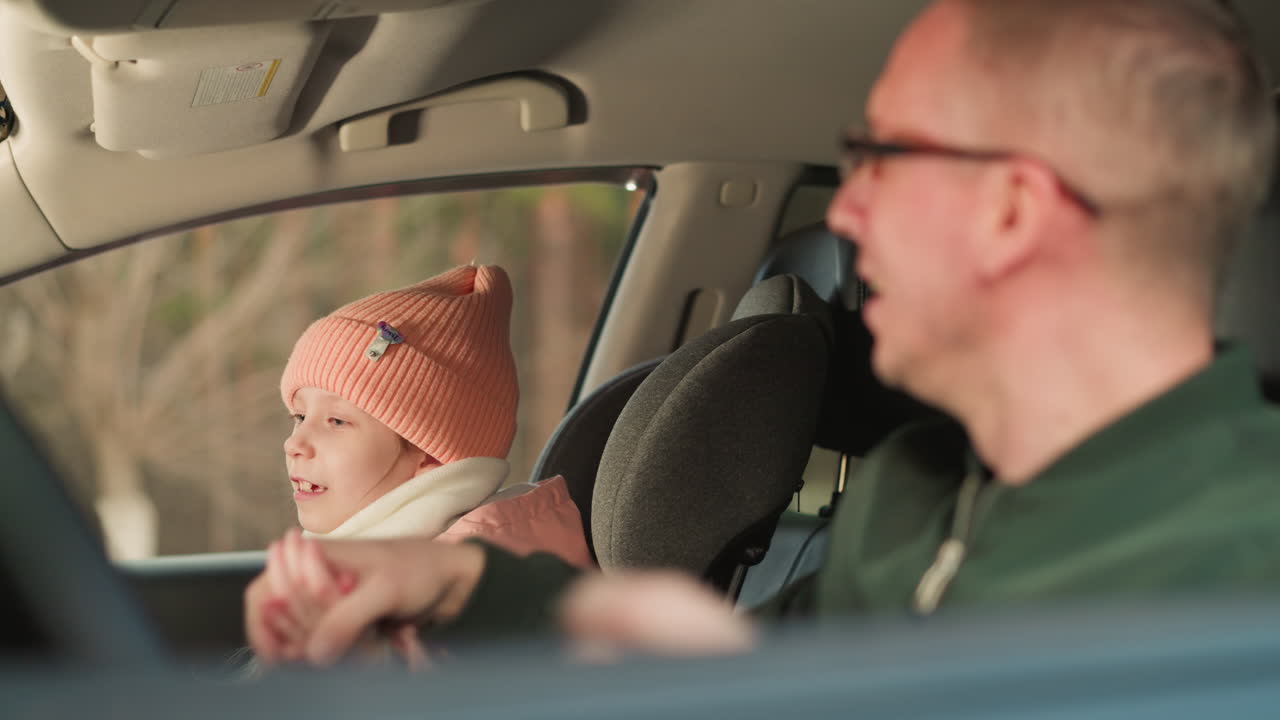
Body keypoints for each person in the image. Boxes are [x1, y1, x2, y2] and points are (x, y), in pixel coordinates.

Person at [245, 0, 1280, 667]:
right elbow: (736, 691)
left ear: (1010, 211)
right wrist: (460, 584)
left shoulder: (1245, 562)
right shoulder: (906, 508)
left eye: (879, 157)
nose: (847, 213)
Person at [252, 264, 591, 665]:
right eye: (299, 416)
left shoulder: (446, 615)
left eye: (337, 421)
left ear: (429, 454)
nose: (295, 443)